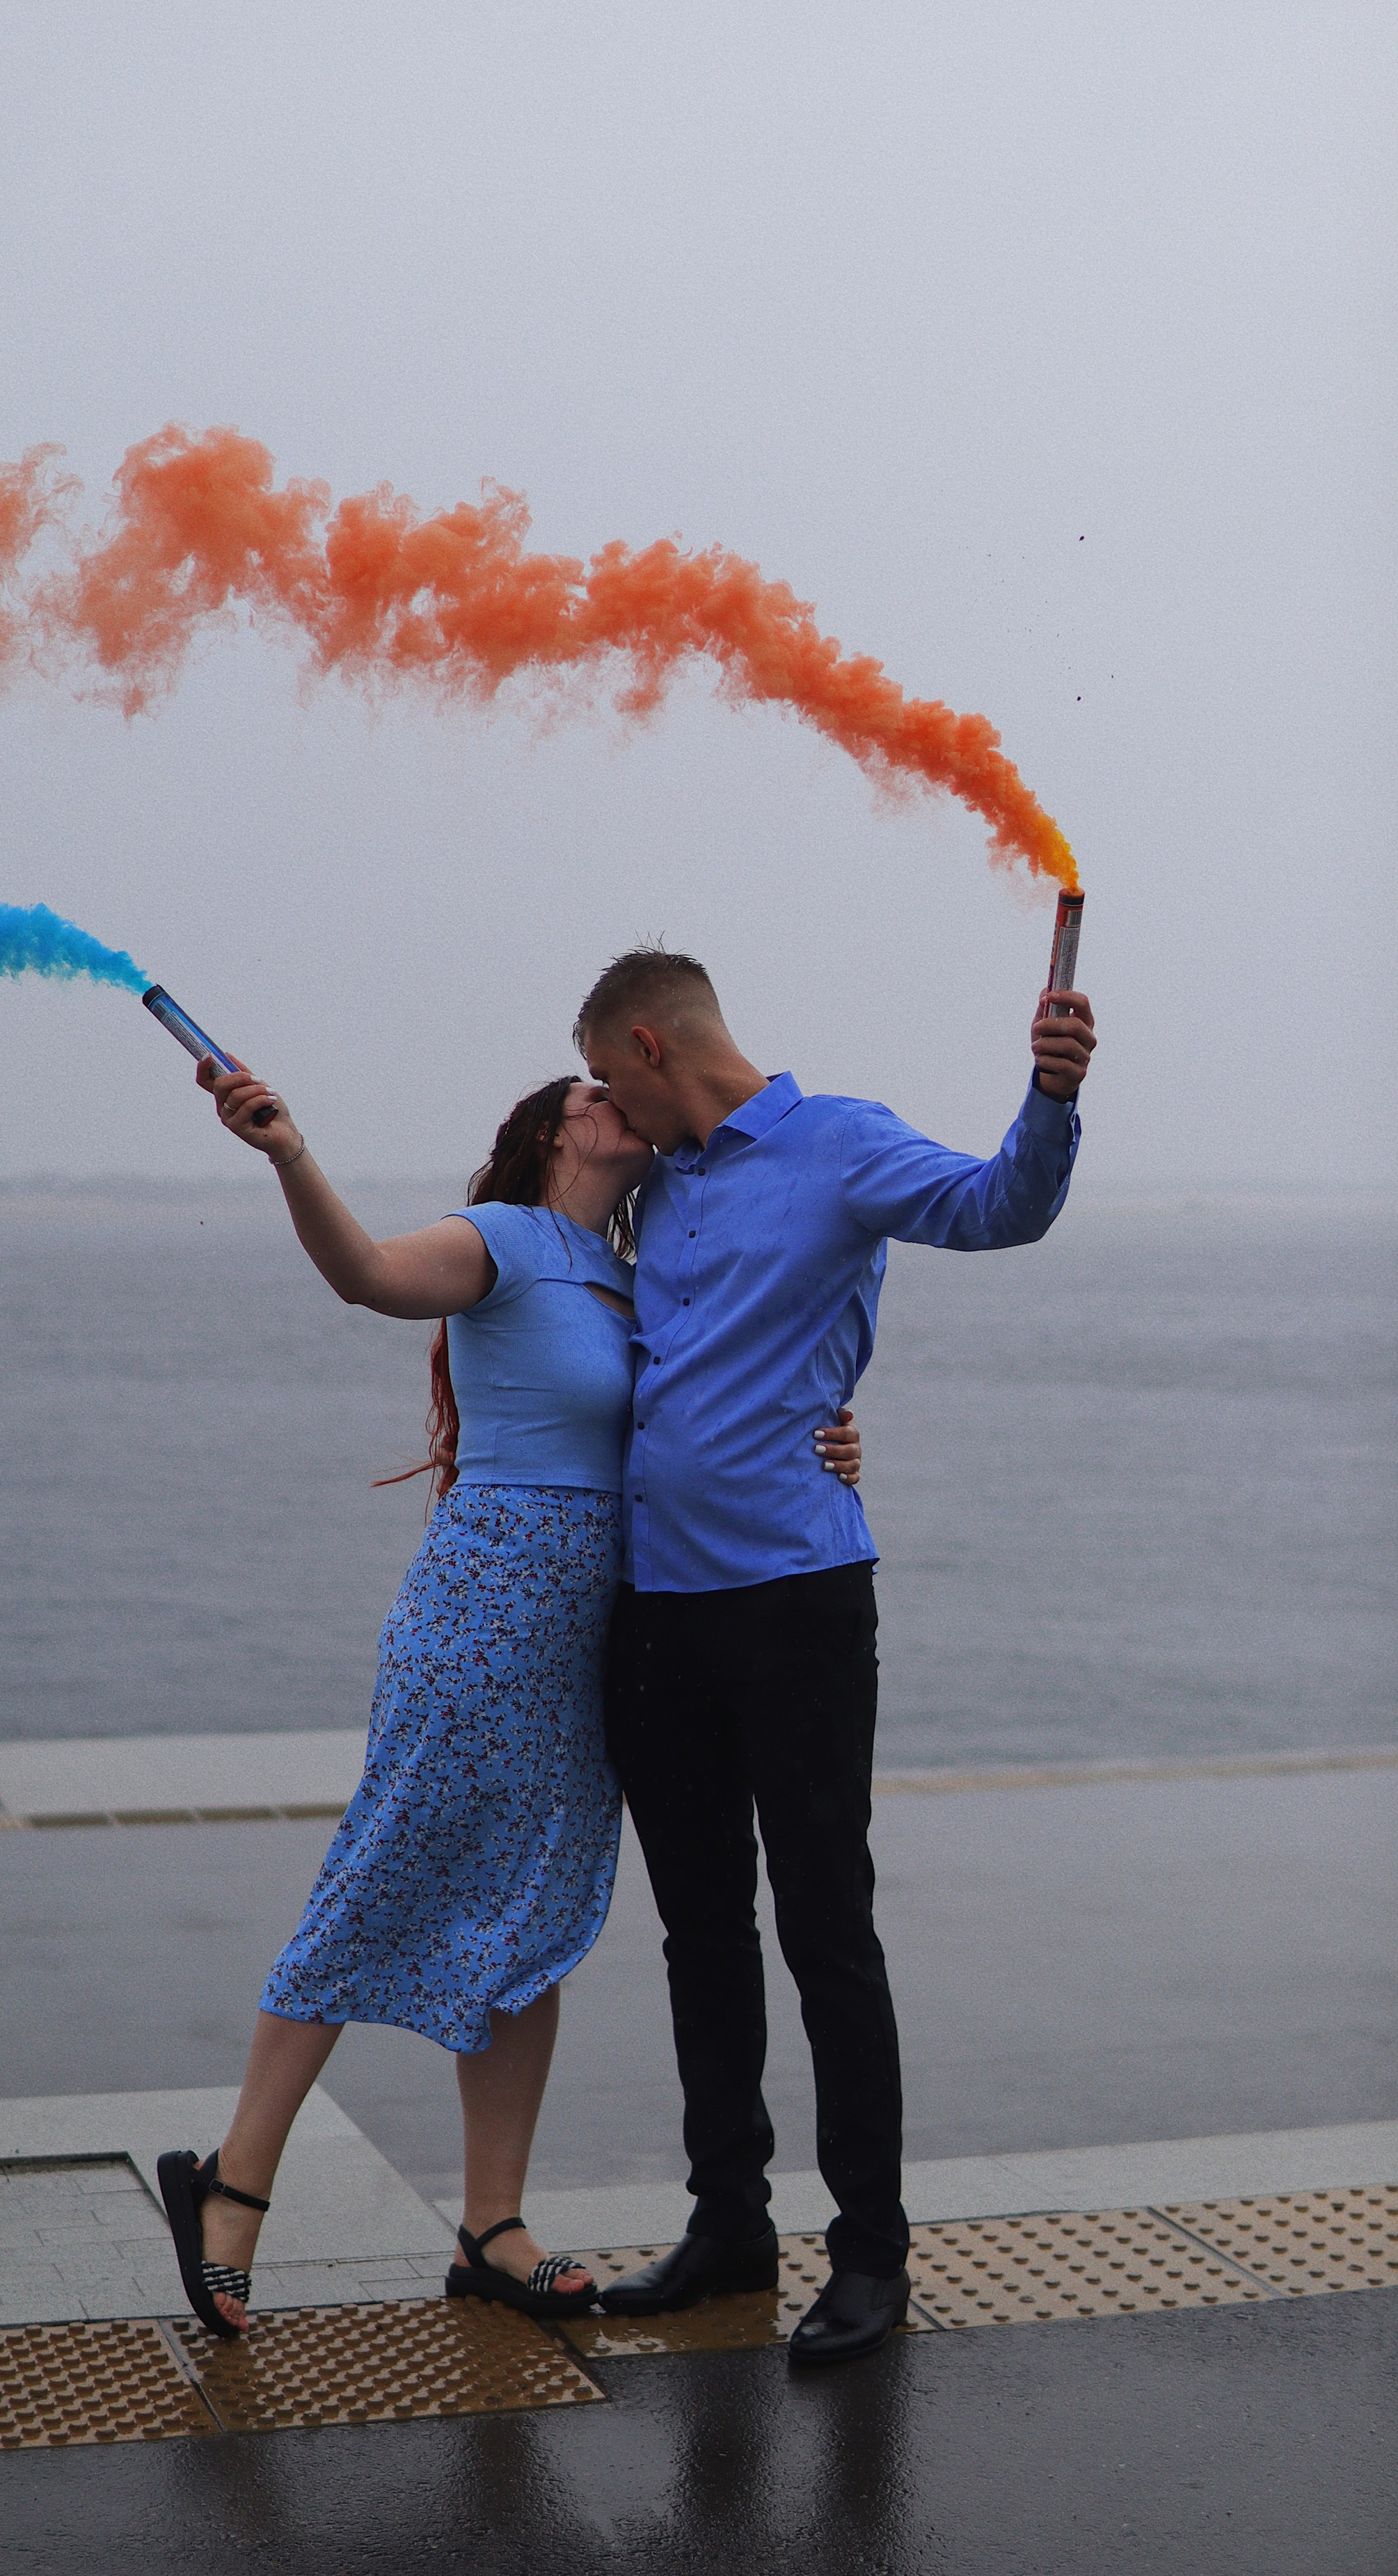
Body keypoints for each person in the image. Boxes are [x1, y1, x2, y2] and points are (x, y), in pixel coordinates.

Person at [156, 1055, 868, 2337]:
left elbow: (707, 1411)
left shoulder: (634, 1277)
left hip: (602, 1626)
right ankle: (235, 2182)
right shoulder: (499, 1238)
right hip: (486, 1608)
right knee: (379, 1875)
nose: (617, 1100)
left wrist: (828, 1433)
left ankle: (494, 2225)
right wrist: (289, 1154)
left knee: (531, 1907)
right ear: (551, 1136)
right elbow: (367, 1275)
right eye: (591, 1094)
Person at [575, 948, 1095, 2367]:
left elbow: (998, 1208)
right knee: (699, 1933)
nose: (606, 1105)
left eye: (610, 1076)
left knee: (824, 1926)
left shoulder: (841, 1143)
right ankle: (730, 2226)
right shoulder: (654, 1182)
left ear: (648, 1043)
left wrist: (1049, 1096)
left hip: (795, 1598)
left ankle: (870, 2255)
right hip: (653, 1609)